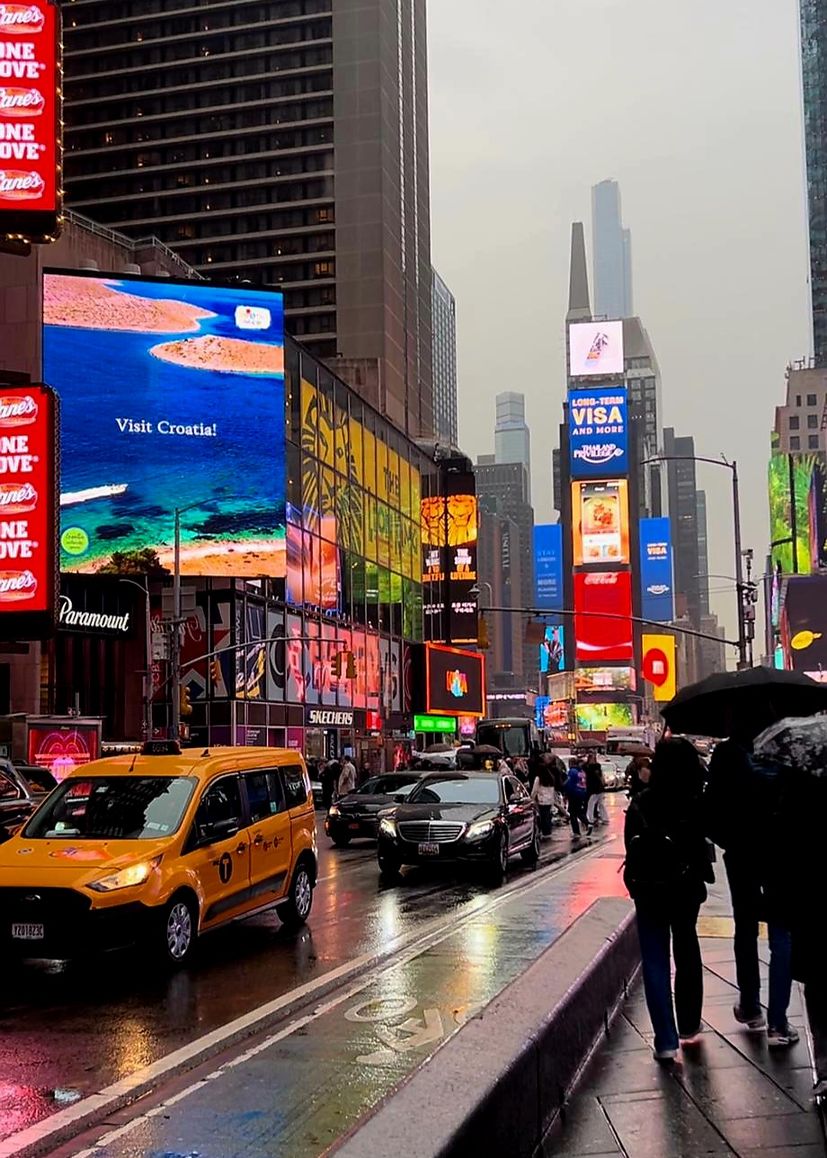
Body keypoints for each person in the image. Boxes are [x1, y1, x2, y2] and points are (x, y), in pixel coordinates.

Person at [705, 728, 798, 1047]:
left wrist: (730, 840)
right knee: (781, 933)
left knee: (744, 927)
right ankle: (778, 1023)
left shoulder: (726, 754)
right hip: (782, 852)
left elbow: (711, 807)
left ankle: (750, 1006)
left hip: (741, 852)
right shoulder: (786, 747)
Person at [624, 737, 714, 1061]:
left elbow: (630, 849)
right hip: (685, 888)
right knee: (687, 949)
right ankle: (689, 1025)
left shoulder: (641, 803)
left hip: (648, 890)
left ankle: (665, 1039)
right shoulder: (695, 801)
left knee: (655, 959)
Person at [564, 758, 590, 837]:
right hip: (581, 793)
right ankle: (587, 823)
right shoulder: (581, 772)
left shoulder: (572, 772)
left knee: (573, 814)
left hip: (573, 793)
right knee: (578, 811)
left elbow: (569, 783)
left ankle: (576, 832)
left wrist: (566, 792)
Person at [531, 763, 556, 837]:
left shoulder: (538, 778)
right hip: (549, 799)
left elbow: (535, 790)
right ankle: (548, 831)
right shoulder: (551, 778)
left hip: (542, 799)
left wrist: (531, 798)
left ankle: (545, 831)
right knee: (547, 815)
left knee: (543, 816)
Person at [585, 754, 607, 826]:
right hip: (598, 787)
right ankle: (604, 818)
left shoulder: (589, 767)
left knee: (591, 804)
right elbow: (600, 776)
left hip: (594, 788)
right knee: (600, 804)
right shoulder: (597, 767)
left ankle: (590, 818)